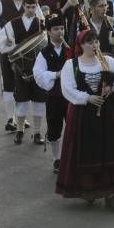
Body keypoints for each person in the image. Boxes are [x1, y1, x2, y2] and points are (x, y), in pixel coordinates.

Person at [57, 29, 114, 210]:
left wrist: (112, 88)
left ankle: (110, 194)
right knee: (86, 152)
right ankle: (88, 191)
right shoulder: (72, 65)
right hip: (82, 116)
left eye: (96, 42)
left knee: (108, 151)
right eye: (89, 42)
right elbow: (67, 89)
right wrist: (87, 98)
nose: (94, 45)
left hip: (106, 115)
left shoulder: (106, 61)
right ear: (81, 45)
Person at [0, 0, 47, 145]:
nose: (31, 10)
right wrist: (9, 43)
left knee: (39, 101)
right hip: (21, 69)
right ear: (23, 7)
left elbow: (47, 44)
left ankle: (37, 133)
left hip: (38, 69)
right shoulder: (13, 23)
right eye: (28, 7)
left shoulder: (41, 23)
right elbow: (1, 43)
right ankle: (19, 130)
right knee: (21, 100)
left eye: (33, 7)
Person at [33, 13, 73, 173]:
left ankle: (72, 157)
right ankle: (57, 159)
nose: (60, 32)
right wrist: (56, 74)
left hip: (71, 96)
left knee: (73, 127)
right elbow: (38, 74)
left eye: (62, 28)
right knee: (55, 128)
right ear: (49, 32)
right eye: (56, 29)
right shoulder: (44, 53)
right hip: (54, 97)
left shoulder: (70, 50)